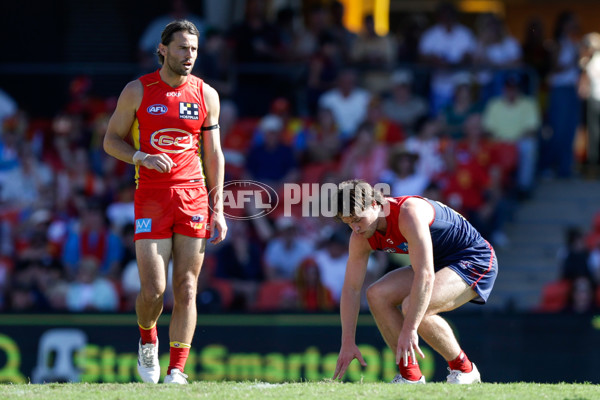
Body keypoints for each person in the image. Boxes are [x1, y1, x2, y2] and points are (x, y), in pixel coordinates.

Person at [103, 20, 227, 385]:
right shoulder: (137, 91)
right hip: (152, 197)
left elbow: (214, 154)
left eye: (194, 50)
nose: (189, 56)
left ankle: (176, 370)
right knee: (154, 289)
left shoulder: (206, 95)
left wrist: (218, 208)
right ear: (163, 49)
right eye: (182, 48)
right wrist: (141, 157)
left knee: (187, 287)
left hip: (192, 197)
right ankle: (147, 338)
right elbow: (111, 140)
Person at [332, 180, 498, 384]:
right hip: (435, 262)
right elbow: (351, 288)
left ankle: (465, 370)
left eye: (358, 219)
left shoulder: (408, 213)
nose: (355, 228)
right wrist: (347, 341)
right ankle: (410, 376)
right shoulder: (360, 235)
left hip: (473, 258)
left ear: (375, 204)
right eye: (348, 222)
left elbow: (425, 275)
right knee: (376, 294)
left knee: (415, 306)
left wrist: (410, 329)